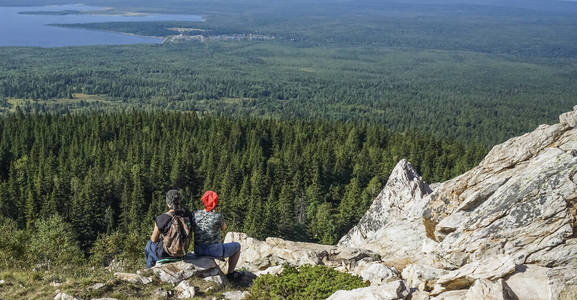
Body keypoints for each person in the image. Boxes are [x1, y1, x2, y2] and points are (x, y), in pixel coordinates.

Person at [194, 190, 241, 277]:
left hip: (198, 250)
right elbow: (224, 228)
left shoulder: (195, 214)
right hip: (213, 251)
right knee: (237, 246)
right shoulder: (218, 216)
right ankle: (230, 273)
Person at [145, 189, 193, 268]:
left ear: (168, 203)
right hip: (182, 253)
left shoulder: (162, 218)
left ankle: (150, 269)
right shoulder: (187, 215)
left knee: (149, 245)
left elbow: (154, 239)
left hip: (166, 254)